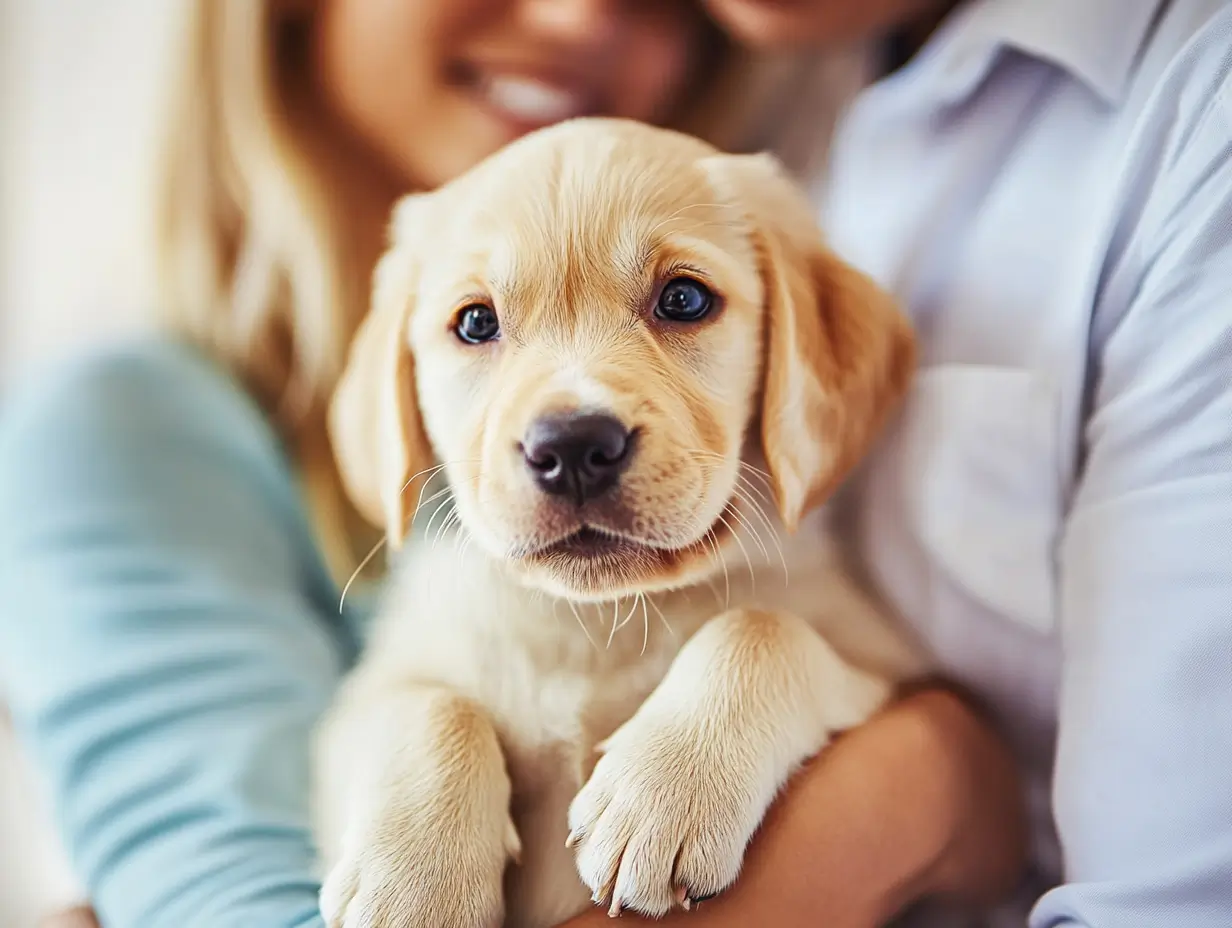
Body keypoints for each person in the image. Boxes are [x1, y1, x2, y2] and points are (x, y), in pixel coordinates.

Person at [1, 0, 1230, 925]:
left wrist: (837, 714)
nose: (572, 418)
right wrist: (922, 782)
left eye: (679, 302)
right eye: (478, 326)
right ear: (399, 402)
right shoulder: (119, 430)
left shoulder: (785, 144)